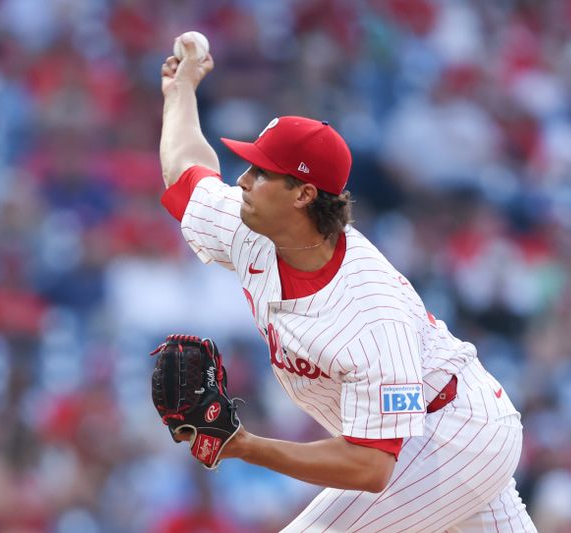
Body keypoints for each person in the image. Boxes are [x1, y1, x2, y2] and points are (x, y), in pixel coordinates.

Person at [158, 35, 537, 532]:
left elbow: (370, 467)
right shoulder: (253, 226)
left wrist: (243, 446)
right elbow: (186, 170)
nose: (244, 181)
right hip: (426, 430)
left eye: (262, 172)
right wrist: (180, 89)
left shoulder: (367, 309)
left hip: (447, 434)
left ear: (304, 195)